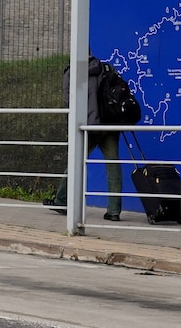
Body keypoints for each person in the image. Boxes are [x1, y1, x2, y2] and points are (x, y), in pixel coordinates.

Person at [43, 53, 123, 221]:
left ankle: (61, 201)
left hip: (86, 126)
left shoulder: (72, 72)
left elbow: (68, 101)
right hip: (109, 126)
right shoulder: (105, 68)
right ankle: (114, 211)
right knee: (113, 165)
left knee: (75, 162)